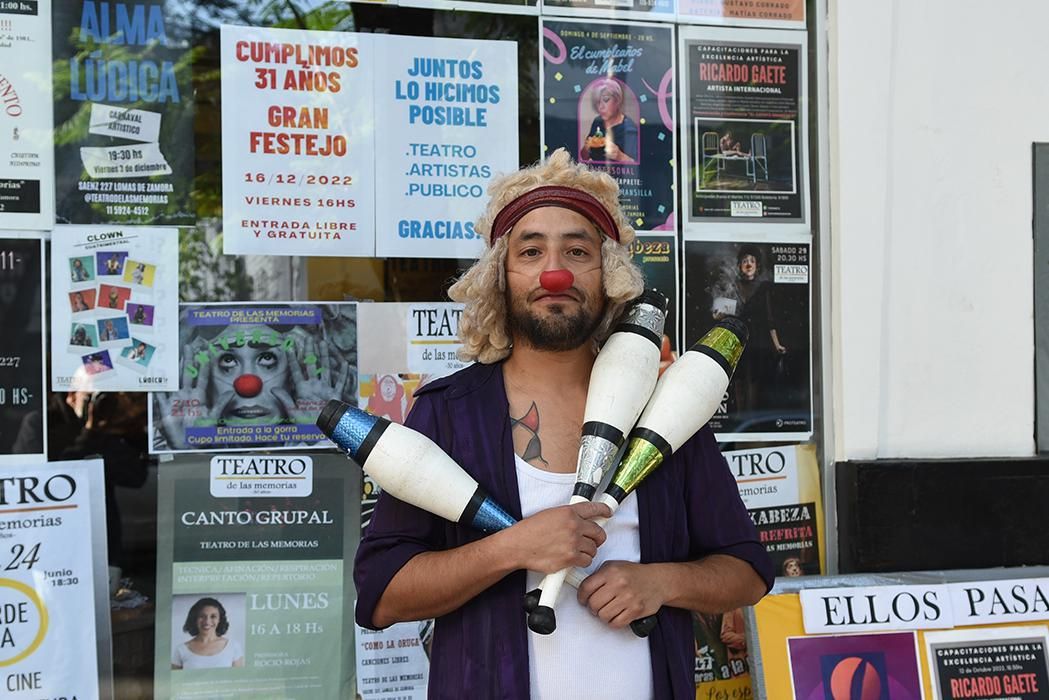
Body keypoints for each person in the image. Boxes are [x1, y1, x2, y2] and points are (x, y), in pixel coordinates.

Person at [354, 149, 773, 699]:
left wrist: (661, 582)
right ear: (501, 276)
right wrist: (513, 548)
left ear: (610, 276)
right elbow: (382, 595)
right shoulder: (449, 412)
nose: (556, 273)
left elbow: (748, 571)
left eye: (578, 251)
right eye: (531, 251)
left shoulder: (667, 412)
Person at [153, 317, 354, 450]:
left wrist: (320, 437)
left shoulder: (317, 439)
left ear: (292, 378)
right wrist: (186, 448)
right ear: (205, 381)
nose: (248, 386)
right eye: (228, 361)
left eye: (267, 358)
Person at [713, 246, 787, 417]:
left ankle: (751, 417)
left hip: (757, 340)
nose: (748, 264)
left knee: (754, 379)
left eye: (751, 261)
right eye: (745, 261)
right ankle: (740, 416)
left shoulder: (763, 288)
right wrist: (718, 313)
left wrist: (777, 345)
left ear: (757, 266)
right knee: (738, 378)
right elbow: (720, 312)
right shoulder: (733, 286)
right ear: (739, 265)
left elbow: (769, 318)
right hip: (737, 338)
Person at [171, 597, 244, 670]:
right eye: (202, 616)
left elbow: (239, 676)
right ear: (195, 619)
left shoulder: (233, 647)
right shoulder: (181, 650)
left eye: (213, 616)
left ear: (219, 619)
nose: (207, 621)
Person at [579, 78, 638, 164]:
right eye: (598, 102)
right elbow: (583, 157)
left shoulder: (629, 129)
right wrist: (586, 149)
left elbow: (638, 167)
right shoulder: (597, 122)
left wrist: (620, 156)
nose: (600, 107)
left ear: (618, 100)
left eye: (606, 100)